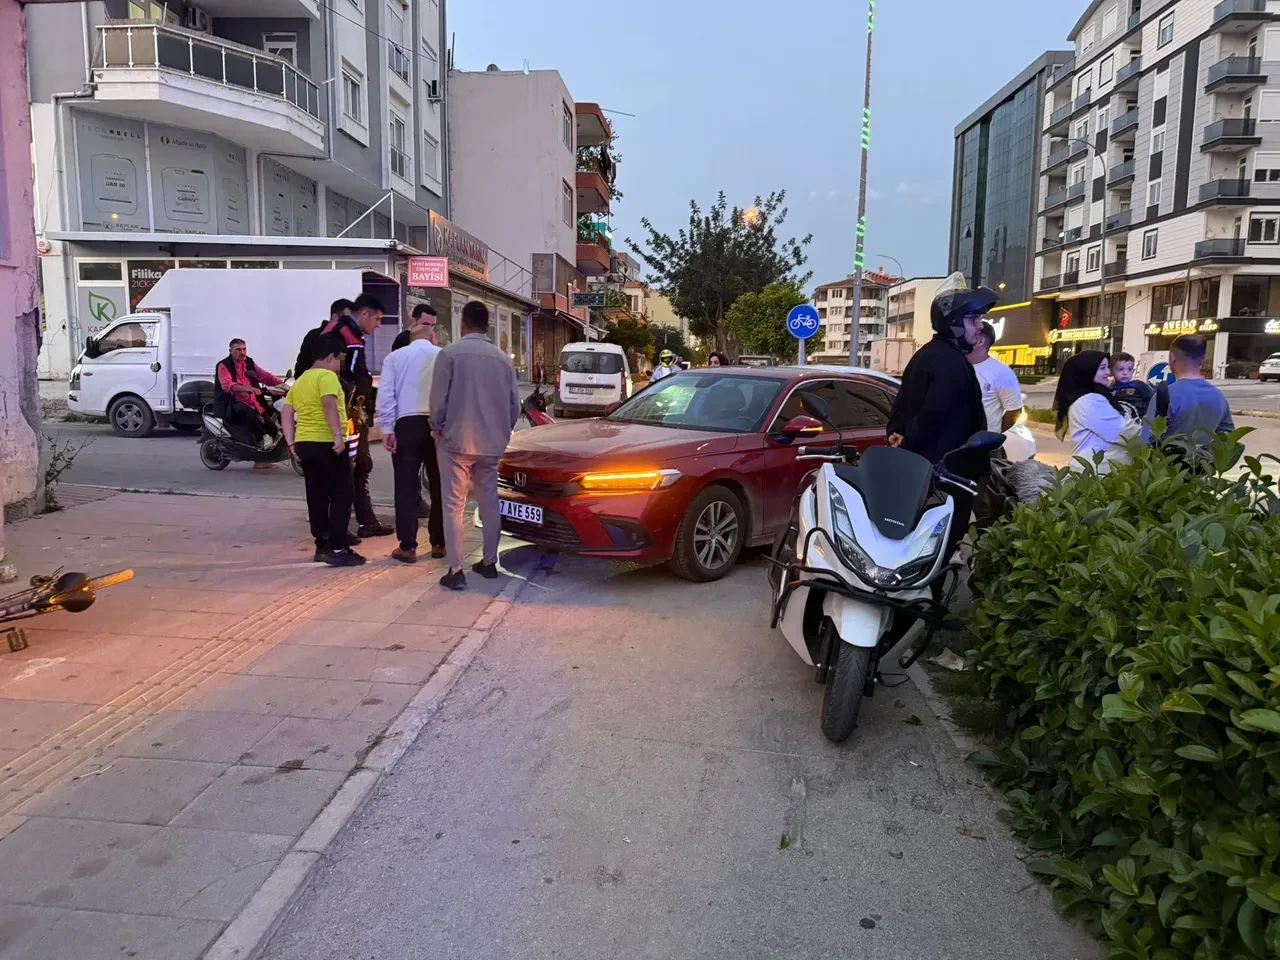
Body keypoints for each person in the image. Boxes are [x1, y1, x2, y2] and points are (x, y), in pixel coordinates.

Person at [886, 273, 994, 566]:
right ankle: (924, 607)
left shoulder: (931, 355)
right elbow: (932, 413)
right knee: (936, 552)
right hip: (944, 477)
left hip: (927, 473)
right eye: (973, 320)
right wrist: (908, 437)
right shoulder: (950, 363)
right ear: (954, 323)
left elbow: (902, 406)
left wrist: (899, 433)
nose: (979, 326)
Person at [429, 301, 520, 591]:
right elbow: (513, 405)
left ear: (463, 324)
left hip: (456, 441)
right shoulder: (503, 359)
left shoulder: (450, 354)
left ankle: (456, 570)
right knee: (489, 500)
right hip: (492, 443)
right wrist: (502, 432)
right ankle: (489, 563)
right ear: (487, 326)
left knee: (453, 504)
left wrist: (437, 426)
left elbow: (438, 400)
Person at [281, 334, 365, 566]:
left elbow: (286, 412)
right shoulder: (327, 376)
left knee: (316, 495)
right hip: (327, 443)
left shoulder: (302, 379)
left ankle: (323, 545)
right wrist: (338, 436)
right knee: (342, 495)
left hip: (305, 444)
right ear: (330, 357)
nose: (339, 365)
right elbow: (329, 403)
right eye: (339, 359)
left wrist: (290, 442)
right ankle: (339, 549)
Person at [324, 292, 393, 538]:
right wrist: (353, 400)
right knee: (350, 467)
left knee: (359, 466)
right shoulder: (343, 337)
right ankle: (339, 531)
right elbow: (332, 376)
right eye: (377, 319)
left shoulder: (351, 335)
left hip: (353, 413)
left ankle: (364, 522)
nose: (378, 325)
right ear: (363, 313)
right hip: (345, 416)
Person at [377, 323, 444, 563]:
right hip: (436, 425)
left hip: (406, 424)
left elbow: (386, 394)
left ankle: (408, 546)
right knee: (439, 485)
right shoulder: (441, 355)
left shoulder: (395, 358)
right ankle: (439, 543)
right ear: (432, 337)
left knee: (405, 486)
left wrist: (387, 428)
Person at [1053, 351, 1142, 474]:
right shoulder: (1090, 401)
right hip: (1098, 475)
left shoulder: (1093, 396)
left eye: (1107, 367)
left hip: (1099, 471)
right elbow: (1124, 432)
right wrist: (1152, 437)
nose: (1108, 372)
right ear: (1087, 372)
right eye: (1102, 368)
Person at [1156, 334, 1234, 445]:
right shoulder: (1219, 397)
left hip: (1166, 461)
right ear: (1203, 358)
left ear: (1172, 357)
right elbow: (1228, 439)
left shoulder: (1165, 395)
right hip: (1206, 461)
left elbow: (1146, 441)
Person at [215, 338, 283, 446]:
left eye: (244, 349)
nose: (242, 352)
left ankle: (263, 457)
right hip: (233, 402)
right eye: (238, 349)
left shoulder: (249, 362)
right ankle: (262, 438)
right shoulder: (223, 365)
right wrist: (247, 388)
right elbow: (227, 384)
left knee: (272, 428)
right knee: (249, 414)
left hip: (252, 400)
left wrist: (282, 384)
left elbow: (264, 376)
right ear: (230, 351)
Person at [968, 321, 1023, 433]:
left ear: (980, 340)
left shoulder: (1002, 373)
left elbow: (1014, 411)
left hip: (983, 447)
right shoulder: (955, 366)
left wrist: (994, 432)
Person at [296, 299, 354, 375]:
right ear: (335, 317)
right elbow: (301, 366)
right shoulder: (314, 336)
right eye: (348, 319)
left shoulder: (347, 338)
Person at [1108, 352, 1156, 419]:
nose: (1125, 373)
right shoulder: (1109, 389)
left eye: (1129, 369)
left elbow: (1153, 400)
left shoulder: (1138, 385)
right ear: (1110, 371)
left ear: (1133, 371)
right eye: (1120, 369)